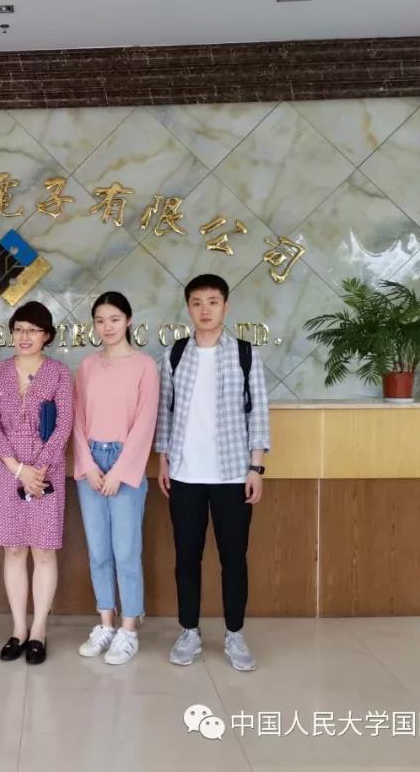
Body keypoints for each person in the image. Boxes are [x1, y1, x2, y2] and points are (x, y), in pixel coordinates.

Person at [155, 273, 270, 672]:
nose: (205, 310)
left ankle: (235, 633)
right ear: (188, 308)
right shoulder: (175, 354)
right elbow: (165, 411)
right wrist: (163, 459)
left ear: (226, 306)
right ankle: (189, 630)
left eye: (213, 302)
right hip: (185, 474)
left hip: (233, 474)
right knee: (186, 557)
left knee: (233, 557)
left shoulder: (245, 353)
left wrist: (256, 467)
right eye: (197, 302)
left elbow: (259, 413)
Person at [0, 301, 73, 666]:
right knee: (14, 550)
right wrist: (18, 469)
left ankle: (39, 630)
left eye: (33, 330)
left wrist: (39, 470)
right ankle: (18, 629)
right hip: (7, 471)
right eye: (19, 329)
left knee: (44, 551)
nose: (25, 336)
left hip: (46, 473)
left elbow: (63, 425)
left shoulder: (59, 373)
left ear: (46, 336)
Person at [73, 291, 159, 666]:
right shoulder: (87, 366)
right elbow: (76, 419)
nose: (107, 327)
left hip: (126, 461)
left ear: (128, 320)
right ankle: (105, 622)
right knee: (98, 551)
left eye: (114, 319)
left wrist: (120, 471)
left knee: (126, 551)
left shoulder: (145, 366)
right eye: (100, 320)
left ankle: (129, 630)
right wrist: (89, 466)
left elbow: (145, 423)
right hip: (90, 463)